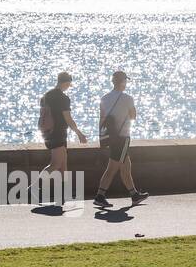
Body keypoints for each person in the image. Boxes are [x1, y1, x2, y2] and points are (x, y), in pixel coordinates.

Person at [94, 70, 150, 207]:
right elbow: (133, 116)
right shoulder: (128, 98)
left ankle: (134, 195)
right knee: (113, 167)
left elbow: (102, 119)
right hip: (122, 137)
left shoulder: (104, 98)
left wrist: (103, 138)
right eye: (125, 81)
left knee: (126, 166)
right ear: (123, 82)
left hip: (111, 137)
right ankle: (100, 196)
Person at [37, 71, 87, 204]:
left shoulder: (46, 96)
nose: (69, 86)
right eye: (69, 84)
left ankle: (65, 193)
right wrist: (79, 133)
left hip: (47, 133)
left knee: (63, 165)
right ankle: (34, 188)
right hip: (57, 133)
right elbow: (68, 118)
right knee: (56, 164)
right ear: (65, 83)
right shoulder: (63, 98)